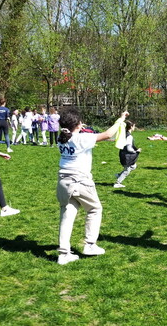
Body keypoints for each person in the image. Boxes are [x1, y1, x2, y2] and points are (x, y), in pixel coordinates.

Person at [56, 109, 129, 265]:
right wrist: (120, 119)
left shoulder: (61, 138)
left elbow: (78, 139)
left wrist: (82, 131)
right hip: (80, 181)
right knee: (95, 209)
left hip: (63, 181)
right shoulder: (81, 139)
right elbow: (108, 135)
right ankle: (90, 245)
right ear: (77, 124)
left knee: (67, 216)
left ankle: (63, 254)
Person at [114, 121, 141, 188]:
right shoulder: (129, 136)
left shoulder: (124, 134)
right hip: (126, 155)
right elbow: (129, 148)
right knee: (127, 170)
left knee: (133, 166)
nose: (134, 127)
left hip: (122, 153)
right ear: (131, 127)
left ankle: (119, 175)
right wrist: (136, 151)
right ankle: (117, 183)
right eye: (134, 126)